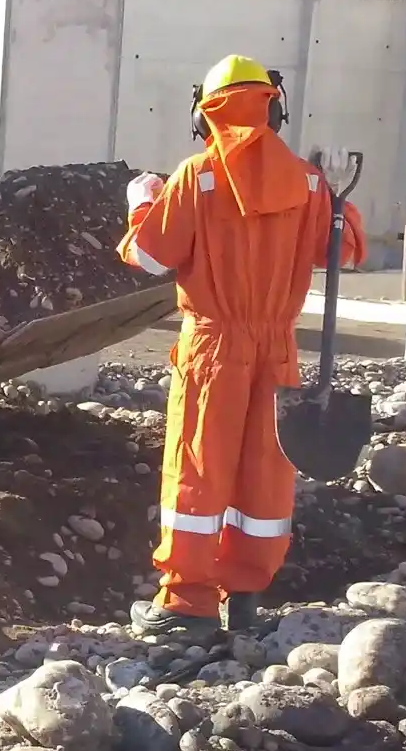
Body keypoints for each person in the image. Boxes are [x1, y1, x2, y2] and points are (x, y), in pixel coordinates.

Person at [118, 54, 366, 641]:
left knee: (200, 467)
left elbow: (149, 256)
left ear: (203, 115)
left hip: (214, 346)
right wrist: (338, 198)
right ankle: (247, 592)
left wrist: (142, 201)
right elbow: (346, 253)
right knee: (264, 471)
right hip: (278, 348)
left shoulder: (195, 177)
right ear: (275, 110)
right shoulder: (307, 184)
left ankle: (186, 604)